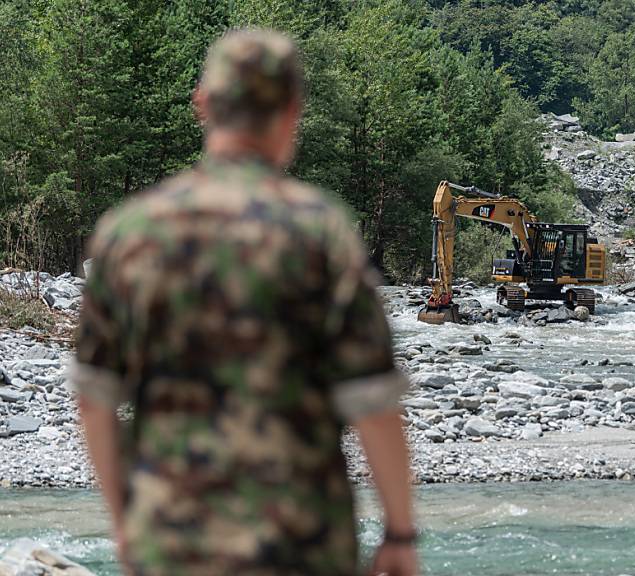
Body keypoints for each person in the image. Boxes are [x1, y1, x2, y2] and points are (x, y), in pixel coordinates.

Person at [72, 29, 418, 576]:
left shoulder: (130, 232)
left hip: (169, 544)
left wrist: (127, 525)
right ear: (292, 112)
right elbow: (372, 399)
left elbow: (93, 398)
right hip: (301, 544)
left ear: (203, 104)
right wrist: (400, 531)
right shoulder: (318, 231)